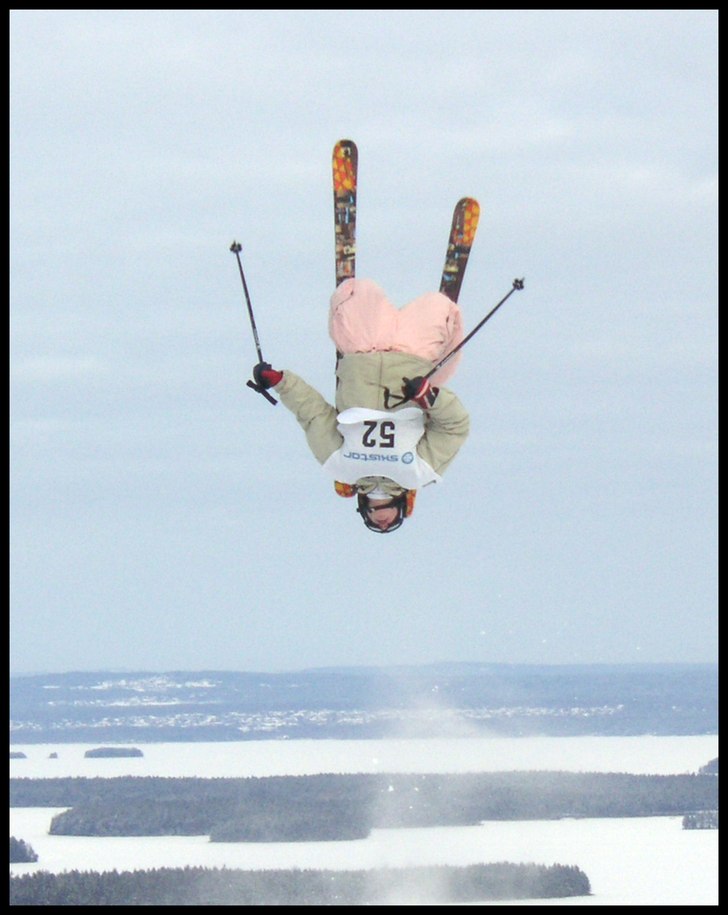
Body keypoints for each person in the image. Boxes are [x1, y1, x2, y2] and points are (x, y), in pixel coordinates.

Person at [252, 277, 470, 532]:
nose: (383, 521)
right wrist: (429, 397)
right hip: (415, 356)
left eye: (375, 521)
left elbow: (313, 414)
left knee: (355, 292)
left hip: (361, 352)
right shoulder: (419, 472)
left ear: (363, 509)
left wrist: (280, 382)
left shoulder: (339, 466)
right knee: (439, 307)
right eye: (390, 521)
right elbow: (454, 427)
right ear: (403, 507)